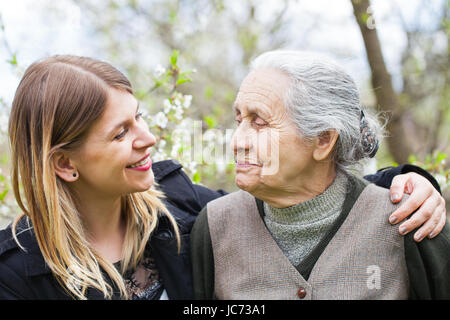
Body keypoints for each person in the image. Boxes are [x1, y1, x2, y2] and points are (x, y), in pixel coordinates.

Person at [0, 55, 445, 300]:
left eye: (139, 118)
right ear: (64, 164)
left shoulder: (178, 205)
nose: (149, 138)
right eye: (121, 133)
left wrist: (409, 182)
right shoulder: (17, 276)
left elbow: (313, 195)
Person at [191, 50, 450, 300]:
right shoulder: (214, 227)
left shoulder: (411, 221)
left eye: (259, 123)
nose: (238, 142)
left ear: (323, 140)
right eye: (239, 121)